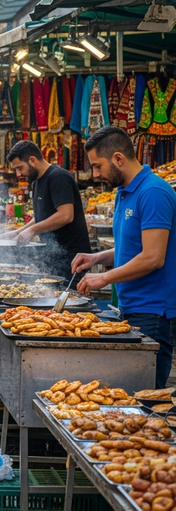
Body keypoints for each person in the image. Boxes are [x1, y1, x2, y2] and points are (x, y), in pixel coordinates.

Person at [73, 126, 176, 389]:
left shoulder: (153, 192)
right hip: (130, 308)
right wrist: (95, 258)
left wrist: (103, 279)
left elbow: (153, 257)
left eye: (98, 166)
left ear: (119, 159)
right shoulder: (123, 191)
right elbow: (130, 248)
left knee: (146, 400)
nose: (95, 174)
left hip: (153, 313)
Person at [2, 140, 91, 278]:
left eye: (20, 168)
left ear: (32, 160)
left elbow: (66, 215)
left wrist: (32, 230)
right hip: (54, 257)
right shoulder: (37, 181)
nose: (18, 174)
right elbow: (42, 216)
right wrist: (17, 232)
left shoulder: (58, 177)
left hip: (72, 259)